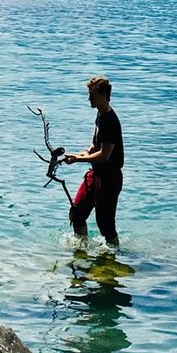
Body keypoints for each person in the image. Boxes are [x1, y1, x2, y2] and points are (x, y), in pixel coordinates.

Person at [63, 74, 124, 246]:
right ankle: (81, 249)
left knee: (105, 225)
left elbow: (105, 155)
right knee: (77, 213)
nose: (88, 98)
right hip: (95, 174)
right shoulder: (100, 115)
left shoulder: (110, 120)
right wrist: (78, 154)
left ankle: (112, 258)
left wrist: (77, 160)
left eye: (92, 94)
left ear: (103, 95)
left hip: (109, 179)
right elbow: (94, 147)